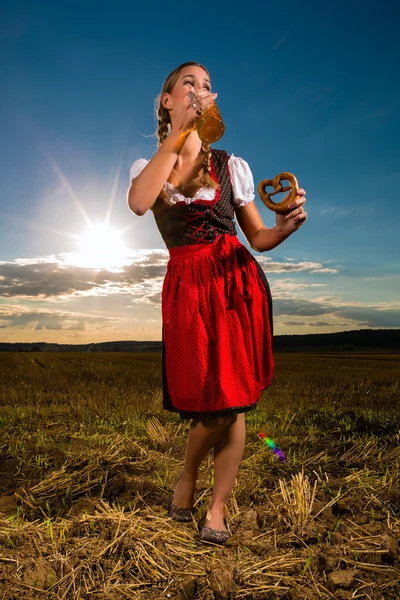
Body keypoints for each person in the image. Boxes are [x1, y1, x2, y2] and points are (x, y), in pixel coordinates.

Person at [127, 61, 307, 544]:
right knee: (212, 401)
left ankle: (216, 507)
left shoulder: (231, 166)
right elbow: (140, 203)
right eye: (189, 83)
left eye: (207, 85)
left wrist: (284, 227)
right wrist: (178, 135)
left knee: (234, 402)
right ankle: (188, 477)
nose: (200, 90)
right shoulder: (148, 170)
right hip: (187, 288)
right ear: (167, 100)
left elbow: (258, 236)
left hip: (232, 284)